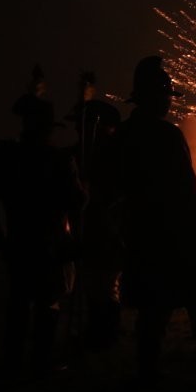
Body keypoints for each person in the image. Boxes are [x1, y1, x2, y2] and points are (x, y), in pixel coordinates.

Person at [101, 55, 196, 385]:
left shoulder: (122, 136)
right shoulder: (168, 136)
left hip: (143, 233)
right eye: (164, 96)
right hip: (177, 232)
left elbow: (113, 186)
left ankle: (148, 371)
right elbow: (186, 188)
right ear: (153, 97)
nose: (168, 103)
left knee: (152, 308)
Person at [0, 88, 85, 379]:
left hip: (19, 239)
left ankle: (13, 362)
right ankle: (39, 362)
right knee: (47, 302)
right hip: (49, 243)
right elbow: (75, 201)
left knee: (19, 300)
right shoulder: (58, 160)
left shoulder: (7, 156)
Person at [64, 71, 124, 350]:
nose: (80, 130)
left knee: (106, 284)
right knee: (90, 283)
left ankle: (107, 333)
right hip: (88, 227)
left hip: (108, 228)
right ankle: (96, 332)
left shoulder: (113, 155)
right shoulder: (77, 155)